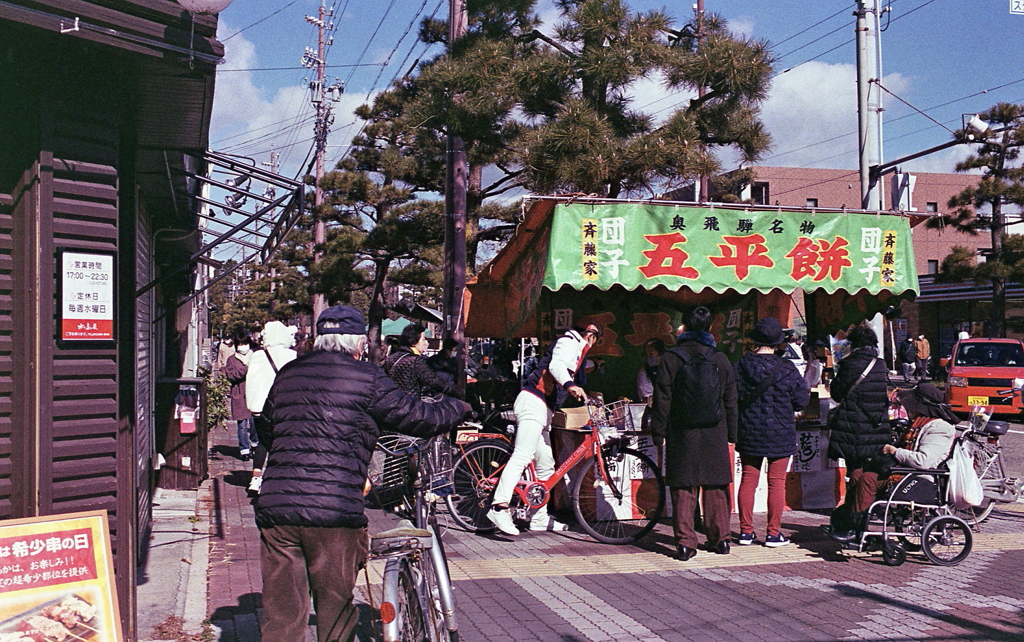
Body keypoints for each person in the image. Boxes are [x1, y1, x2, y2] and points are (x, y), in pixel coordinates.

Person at [254, 305, 470, 642]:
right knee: (335, 610)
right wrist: (460, 406)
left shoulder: (289, 374)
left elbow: (267, 430)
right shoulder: (367, 377)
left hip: (278, 508)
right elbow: (418, 418)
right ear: (358, 344)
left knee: (281, 614)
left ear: (319, 340)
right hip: (335, 510)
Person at [486, 321, 603, 535]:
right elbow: (556, 366)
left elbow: (577, 368)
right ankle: (499, 507)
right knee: (523, 454)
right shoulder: (569, 342)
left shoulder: (577, 352)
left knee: (546, 465)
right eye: (596, 337)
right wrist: (571, 386)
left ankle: (539, 518)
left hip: (544, 407)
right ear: (590, 335)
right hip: (533, 401)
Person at [650, 306, 738, 561]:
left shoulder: (671, 358)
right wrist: (732, 435)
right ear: (710, 328)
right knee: (715, 487)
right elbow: (731, 400)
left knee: (683, 487)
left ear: (684, 328)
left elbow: (662, 399)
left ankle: (686, 544)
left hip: (681, 431)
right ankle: (721, 540)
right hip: (715, 431)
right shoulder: (719, 358)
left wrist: (659, 434)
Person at [733, 317, 810, 547]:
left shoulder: (741, 365)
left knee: (748, 480)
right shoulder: (786, 368)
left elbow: (733, 397)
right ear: (779, 342)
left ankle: (746, 532)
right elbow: (801, 400)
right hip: (780, 433)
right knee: (777, 483)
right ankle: (773, 533)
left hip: (749, 431)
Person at [826, 324, 891, 540]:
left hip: (852, 427)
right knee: (868, 469)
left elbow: (836, 394)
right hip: (876, 427)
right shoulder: (881, 365)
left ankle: (853, 520)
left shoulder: (848, 364)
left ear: (853, 344)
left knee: (854, 468)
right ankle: (857, 515)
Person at [245, 320, 298, 494]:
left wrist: (252, 405)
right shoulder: (292, 356)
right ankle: (279, 480)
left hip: (260, 407)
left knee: (263, 443)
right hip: (283, 408)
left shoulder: (258, 355)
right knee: (283, 443)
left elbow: (251, 382)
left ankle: (256, 478)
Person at [881, 383, 957, 470]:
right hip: (903, 469)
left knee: (867, 478)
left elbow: (923, 461)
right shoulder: (916, 423)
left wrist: (894, 451)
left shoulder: (940, 428)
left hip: (919, 477)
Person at [384, 323, 457, 399]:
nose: (426, 342)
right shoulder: (415, 360)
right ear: (413, 342)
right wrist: (453, 391)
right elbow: (432, 380)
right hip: (409, 403)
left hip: (392, 402)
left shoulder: (391, 358)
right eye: (423, 339)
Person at [223, 334, 255, 461]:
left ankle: (255, 444)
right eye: (240, 344)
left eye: (245, 344)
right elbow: (231, 376)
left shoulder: (256, 357)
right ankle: (244, 450)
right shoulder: (232, 359)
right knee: (242, 424)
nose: (243, 347)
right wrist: (246, 368)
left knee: (254, 423)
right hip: (239, 394)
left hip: (254, 393)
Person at [635, 338, 666, 404]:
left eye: (651, 354)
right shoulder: (644, 373)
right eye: (646, 354)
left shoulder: (671, 369)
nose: (648, 357)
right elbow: (646, 398)